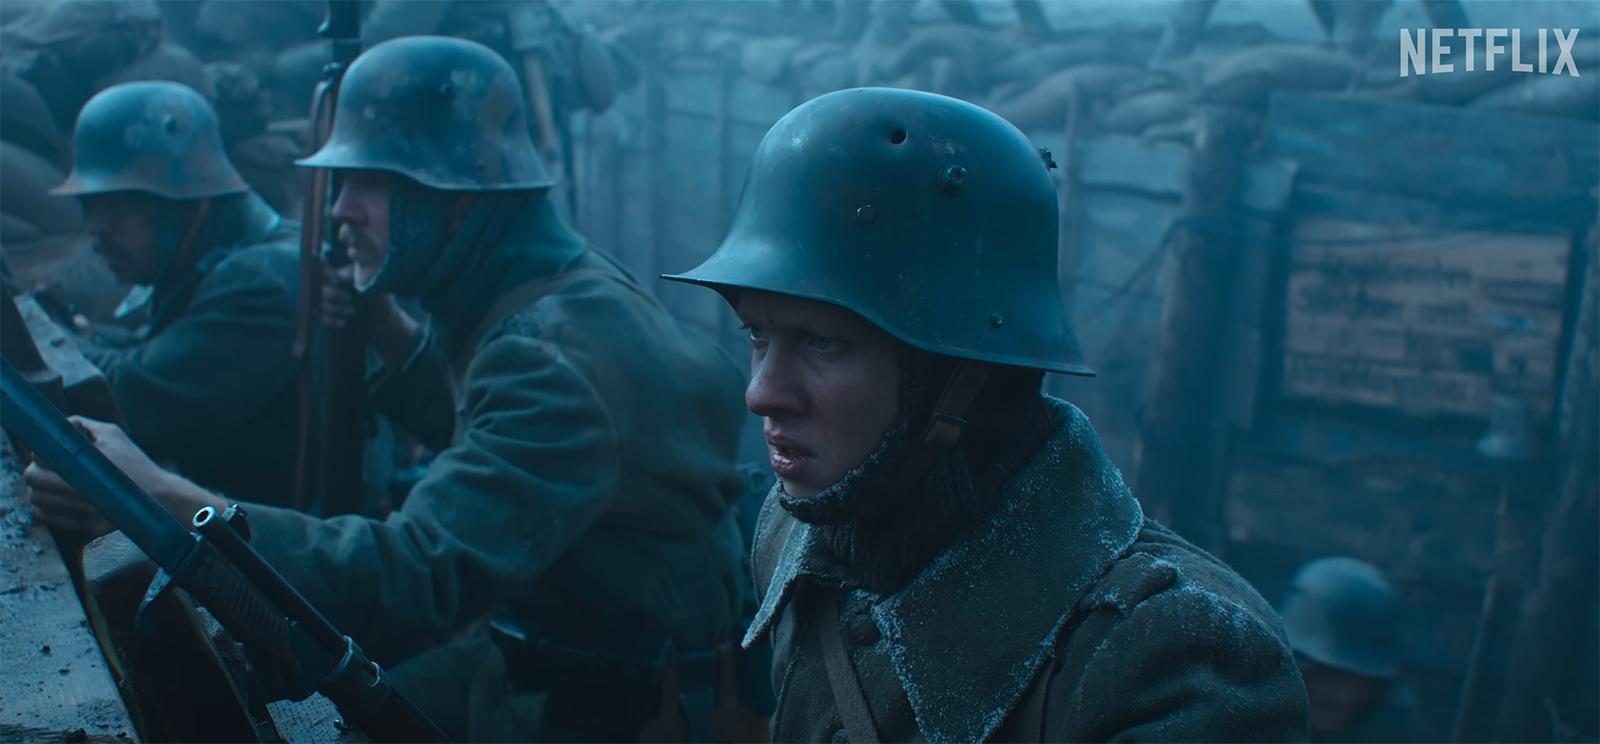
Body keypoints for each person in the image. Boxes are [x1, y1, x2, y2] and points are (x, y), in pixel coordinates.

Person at [29, 36, 752, 741]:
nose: (339, 209)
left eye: (364, 182)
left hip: (611, 704)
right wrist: (387, 331)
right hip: (538, 646)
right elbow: (508, 450)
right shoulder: (551, 292)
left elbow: (416, 577)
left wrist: (172, 502)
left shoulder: (549, 355)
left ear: (456, 194)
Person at [663, 86, 1310, 741]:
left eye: (822, 343)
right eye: (757, 336)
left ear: (961, 375)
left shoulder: (1173, 662)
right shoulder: (796, 531)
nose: (762, 393)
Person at [35, 81, 302, 514]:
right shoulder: (210, 256)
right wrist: (81, 329)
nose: (96, 229)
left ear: (188, 200)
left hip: (271, 546)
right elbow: (155, 349)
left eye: (118, 205)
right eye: (91, 206)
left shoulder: (258, 284)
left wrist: (45, 333)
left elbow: (130, 401)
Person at [1280, 556, 1424, 742]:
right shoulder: (1247, 713)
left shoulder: (1391, 726)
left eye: (1360, 680)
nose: (1343, 695)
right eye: (1326, 673)